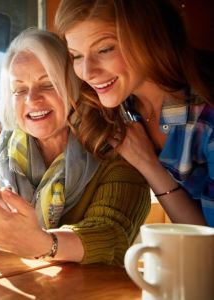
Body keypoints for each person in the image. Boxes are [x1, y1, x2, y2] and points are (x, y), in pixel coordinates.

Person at [0, 28, 150, 265]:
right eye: (19, 89)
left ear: (74, 86)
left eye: (48, 84)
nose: (32, 100)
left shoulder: (118, 152)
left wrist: (42, 244)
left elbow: (113, 234)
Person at [54, 0, 214, 226]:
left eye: (105, 49)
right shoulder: (118, 106)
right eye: (76, 56)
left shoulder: (205, 117)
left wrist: (149, 165)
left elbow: (207, 245)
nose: (87, 72)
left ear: (147, 38)